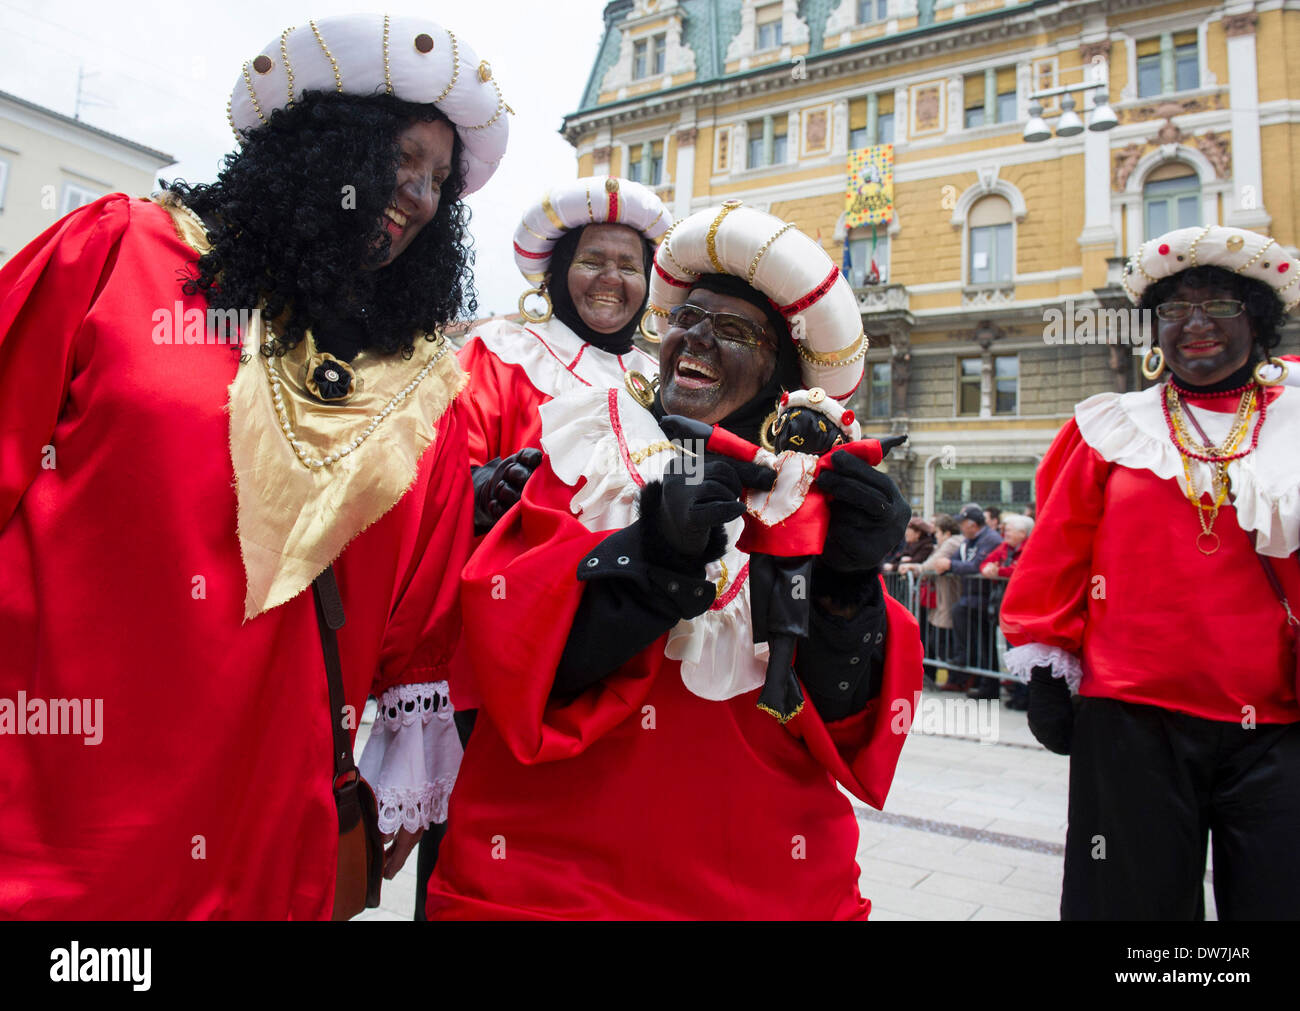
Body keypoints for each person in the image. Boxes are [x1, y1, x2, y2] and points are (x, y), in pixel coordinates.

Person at [0, 14, 508, 919]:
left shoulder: (428, 386)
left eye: (440, 182)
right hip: (54, 827)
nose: (421, 196)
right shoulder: (118, 252)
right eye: (404, 157)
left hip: (273, 845)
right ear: (322, 143)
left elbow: (414, 626)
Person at [428, 202, 923, 919]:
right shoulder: (589, 449)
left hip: (768, 884)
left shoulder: (806, 496)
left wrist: (848, 582)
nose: (694, 338)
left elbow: (844, 723)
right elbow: (516, 667)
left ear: (780, 369)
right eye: (685, 319)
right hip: (553, 876)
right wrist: (655, 552)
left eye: (731, 330)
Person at [1000, 223, 1300, 920]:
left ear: (1256, 319)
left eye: (1219, 305)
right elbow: (1059, 551)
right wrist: (1047, 664)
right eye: (1174, 310)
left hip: (1280, 721)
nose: (1195, 324)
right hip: (1131, 720)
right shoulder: (1110, 425)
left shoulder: (1296, 420)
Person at [416, 176, 671, 917]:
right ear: (558, 272)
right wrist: (483, 482)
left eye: (629, 265)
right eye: (595, 259)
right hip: (505, 646)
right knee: (481, 840)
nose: (611, 279)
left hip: (629, 640)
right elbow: (437, 482)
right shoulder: (500, 353)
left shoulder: (662, 377)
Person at [935, 503, 1002, 695]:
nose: (961, 527)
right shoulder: (967, 541)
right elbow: (956, 561)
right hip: (969, 597)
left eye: (963, 523)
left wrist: (950, 565)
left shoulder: (990, 539)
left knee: (986, 645)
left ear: (973, 524)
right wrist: (947, 564)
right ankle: (976, 675)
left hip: (984, 598)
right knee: (978, 640)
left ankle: (989, 686)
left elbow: (976, 566)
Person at [904, 514, 961, 668]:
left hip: (950, 597)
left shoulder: (952, 543)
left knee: (944, 641)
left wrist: (917, 568)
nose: (935, 536)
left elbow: (932, 562)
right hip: (944, 598)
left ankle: (957, 678)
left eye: (937, 533)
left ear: (947, 533)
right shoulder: (945, 544)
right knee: (938, 640)